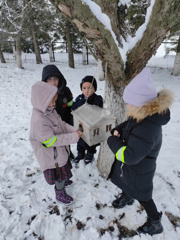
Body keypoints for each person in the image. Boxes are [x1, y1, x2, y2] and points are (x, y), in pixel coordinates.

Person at [107, 68, 174, 236]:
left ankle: (155, 222)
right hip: (132, 168)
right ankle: (127, 195)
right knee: (125, 182)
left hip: (140, 169)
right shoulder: (141, 114)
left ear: (141, 104)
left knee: (144, 196)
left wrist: (113, 142)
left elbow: (129, 157)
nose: (127, 105)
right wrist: (118, 129)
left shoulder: (148, 127)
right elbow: (130, 123)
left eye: (130, 102)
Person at [29, 81, 82, 205]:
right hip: (52, 158)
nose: (54, 104)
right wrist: (73, 137)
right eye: (52, 101)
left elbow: (62, 124)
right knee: (59, 176)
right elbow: (53, 141)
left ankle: (63, 181)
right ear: (42, 101)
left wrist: (75, 130)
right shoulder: (39, 121)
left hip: (58, 153)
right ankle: (60, 192)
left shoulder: (50, 110)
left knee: (64, 170)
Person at [42, 64, 75, 160]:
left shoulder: (66, 91)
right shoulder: (43, 94)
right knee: (55, 140)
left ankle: (68, 152)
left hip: (64, 120)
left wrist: (71, 120)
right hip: (51, 123)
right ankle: (56, 155)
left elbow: (71, 107)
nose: (53, 82)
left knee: (66, 139)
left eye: (55, 78)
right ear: (45, 81)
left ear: (60, 78)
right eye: (50, 79)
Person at [72, 75, 103, 164]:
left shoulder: (97, 99)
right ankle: (80, 154)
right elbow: (74, 110)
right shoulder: (79, 99)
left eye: (90, 88)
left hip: (92, 127)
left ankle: (90, 155)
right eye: (84, 88)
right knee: (80, 142)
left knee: (91, 143)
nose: (86, 90)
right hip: (81, 126)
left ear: (94, 89)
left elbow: (99, 110)